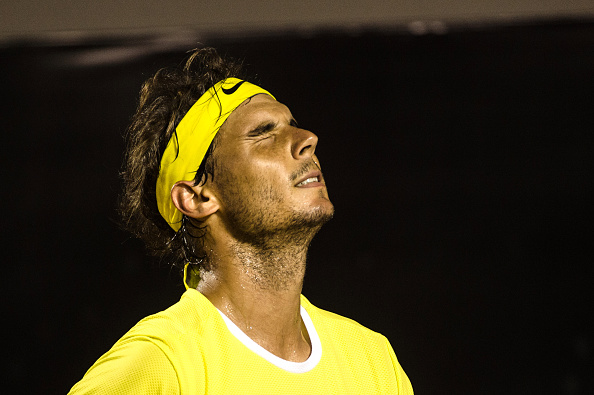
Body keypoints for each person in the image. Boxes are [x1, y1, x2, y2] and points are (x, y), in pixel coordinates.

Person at [69, 47, 413, 394]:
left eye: (292, 125)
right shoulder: (162, 365)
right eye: (263, 133)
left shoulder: (373, 360)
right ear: (197, 197)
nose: (307, 139)